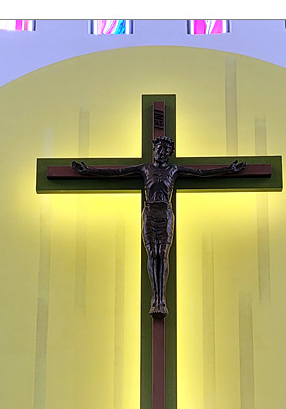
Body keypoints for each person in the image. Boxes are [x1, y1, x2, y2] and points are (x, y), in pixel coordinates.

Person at [72, 136, 245, 317]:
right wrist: (88, 171)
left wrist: (228, 170)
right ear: (153, 149)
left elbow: (201, 173)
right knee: (152, 253)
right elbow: (117, 172)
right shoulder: (145, 169)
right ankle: (155, 299)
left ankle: (161, 300)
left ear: (170, 154)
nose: (162, 153)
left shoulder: (173, 170)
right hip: (150, 212)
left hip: (165, 213)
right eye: (159, 149)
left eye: (166, 151)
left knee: (162, 253)